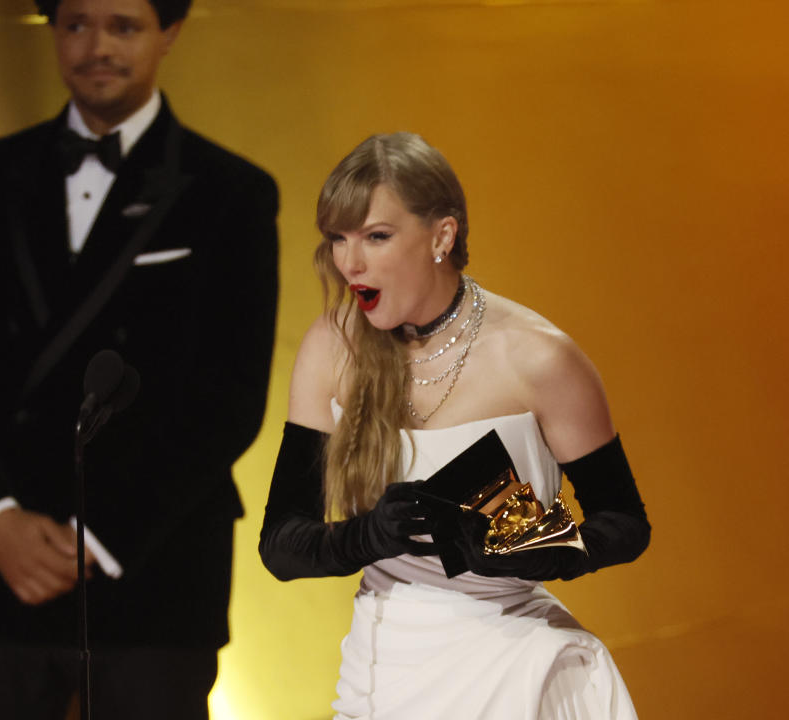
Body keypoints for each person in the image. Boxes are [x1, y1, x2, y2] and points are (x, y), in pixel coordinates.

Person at [0, 0, 278, 718]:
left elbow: (229, 398)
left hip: (151, 569)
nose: (96, 46)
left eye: (124, 26)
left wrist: (98, 535)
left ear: (170, 32)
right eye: (75, 24)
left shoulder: (231, 191)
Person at [259, 132, 649, 718]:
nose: (350, 262)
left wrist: (540, 550)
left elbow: (625, 523)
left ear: (442, 235)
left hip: (514, 659)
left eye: (376, 236)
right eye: (338, 239)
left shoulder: (539, 358)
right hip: (382, 672)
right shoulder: (331, 349)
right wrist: (367, 536)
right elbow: (281, 544)